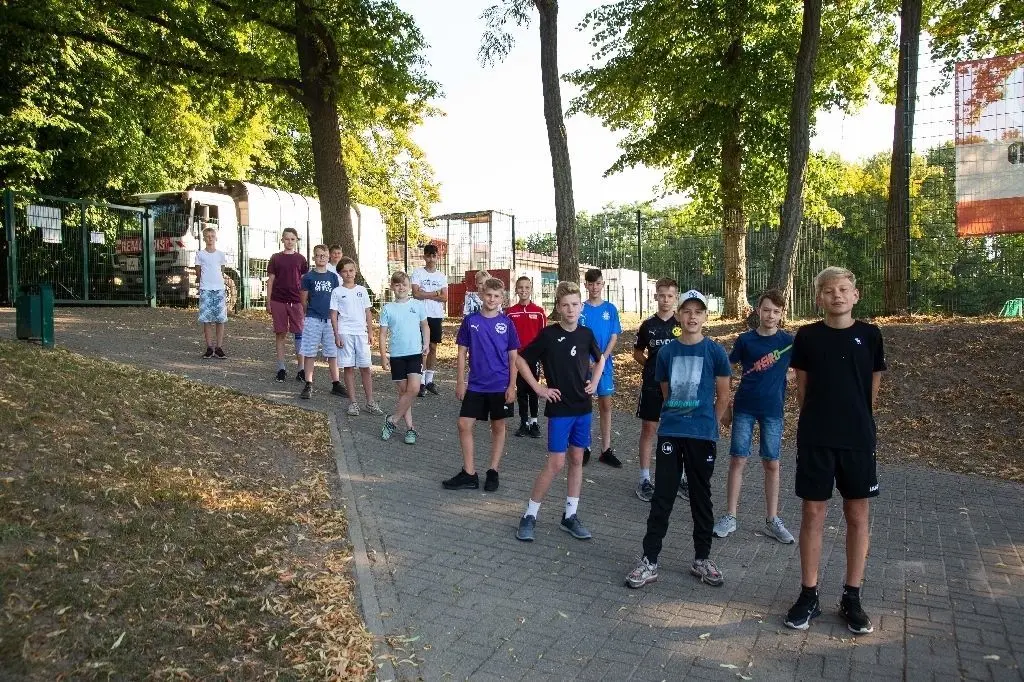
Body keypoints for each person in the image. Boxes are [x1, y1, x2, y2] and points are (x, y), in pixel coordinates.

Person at [784, 267, 885, 635]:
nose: (837, 296)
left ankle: (852, 596)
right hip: (816, 437)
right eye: (828, 290)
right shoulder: (807, 336)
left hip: (857, 439)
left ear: (855, 295)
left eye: (844, 289)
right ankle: (808, 593)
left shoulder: (870, 335)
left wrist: (857, 419)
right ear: (819, 298)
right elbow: (802, 388)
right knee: (813, 511)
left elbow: (872, 385)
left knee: (857, 514)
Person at [625, 290, 731, 589]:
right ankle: (650, 560)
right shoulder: (668, 352)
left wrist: (709, 423)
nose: (692, 316)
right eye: (687, 311)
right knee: (663, 496)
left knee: (701, 495)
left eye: (698, 311)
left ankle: (702, 558)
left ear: (705, 317)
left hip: (702, 435)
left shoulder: (715, 352)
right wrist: (678, 415)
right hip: (672, 432)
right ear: (679, 316)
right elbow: (665, 390)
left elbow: (723, 394)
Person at [515, 281, 605, 543]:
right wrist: (539, 388)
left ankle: (570, 516)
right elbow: (521, 359)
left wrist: (596, 382)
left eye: (575, 304)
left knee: (577, 459)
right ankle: (530, 515)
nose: (571, 309)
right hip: (560, 409)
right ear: (558, 308)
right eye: (565, 305)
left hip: (583, 408)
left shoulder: (586, 334)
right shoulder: (548, 335)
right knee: (556, 463)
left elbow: (599, 360)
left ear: (581, 306)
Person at [713, 289, 795, 543]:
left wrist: (784, 377)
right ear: (757, 310)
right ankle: (730, 515)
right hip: (745, 408)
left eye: (776, 312)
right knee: (738, 459)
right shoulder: (745, 340)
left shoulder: (788, 342)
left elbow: (802, 371)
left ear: (782, 314)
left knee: (772, 463)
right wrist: (724, 405)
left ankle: (772, 519)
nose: (771, 315)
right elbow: (725, 369)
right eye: (767, 309)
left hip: (773, 411)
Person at [443, 278, 520, 492]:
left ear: (502, 298)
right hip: (475, 385)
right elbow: (461, 353)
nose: (492, 299)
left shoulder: (507, 323)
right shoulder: (471, 321)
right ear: (481, 295)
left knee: (498, 426)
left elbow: (514, 357)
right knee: (464, 424)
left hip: (500, 385)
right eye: (488, 295)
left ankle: (493, 470)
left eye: (496, 296)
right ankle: (469, 473)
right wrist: (460, 381)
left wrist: (512, 385)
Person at [632, 277, 680, 501]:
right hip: (652, 386)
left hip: (678, 388)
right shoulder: (647, 325)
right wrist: (653, 367)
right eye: (662, 295)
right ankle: (644, 479)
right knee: (649, 429)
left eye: (670, 296)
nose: (666, 300)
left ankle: (678, 477)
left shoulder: (682, 323)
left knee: (677, 430)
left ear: (675, 298)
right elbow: (637, 352)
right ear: (655, 296)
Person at [379, 271, 429, 444]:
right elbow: (383, 334)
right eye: (397, 284)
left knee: (414, 389)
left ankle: (392, 420)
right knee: (403, 393)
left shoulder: (417, 305)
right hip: (397, 355)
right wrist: (383, 355)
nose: (401, 287)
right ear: (392, 287)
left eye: (404, 284)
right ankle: (410, 429)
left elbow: (425, 326)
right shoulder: (387, 308)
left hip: (415, 354)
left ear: (410, 287)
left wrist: (426, 343)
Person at [330, 257, 384, 417]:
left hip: (361, 333)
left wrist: (370, 331)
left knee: (365, 367)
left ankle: (370, 401)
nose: (348, 274)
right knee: (348, 367)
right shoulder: (337, 292)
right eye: (344, 271)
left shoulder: (362, 290)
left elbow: (368, 312)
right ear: (340, 273)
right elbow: (333, 314)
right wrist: (337, 334)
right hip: (345, 332)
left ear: (355, 271)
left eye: (351, 270)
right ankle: (353, 402)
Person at [580, 268, 622, 467]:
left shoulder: (611, 309)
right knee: (585, 404)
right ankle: (585, 446)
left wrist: (602, 359)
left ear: (602, 285)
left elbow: (614, 335)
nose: (594, 287)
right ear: (586, 285)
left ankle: (606, 449)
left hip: (604, 364)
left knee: (605, 405)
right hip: (583, 365)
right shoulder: (580, 309)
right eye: (591, 283)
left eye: (598, 283)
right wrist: (585, 360)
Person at [297, 245, 344, 400]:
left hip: (330, 320)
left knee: (332, 352)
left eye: (324, 255)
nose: (321, 258)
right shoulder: (308, 277)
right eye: (318, 255)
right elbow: (303, 299)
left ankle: (336, 383)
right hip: (313, 318)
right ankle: (308, 383)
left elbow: (337, 299)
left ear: (328, 257)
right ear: (314, 258)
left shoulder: (333, 277)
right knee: (310, 351)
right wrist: (309, 313)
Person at [506, 276, 546, 438]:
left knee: (533, 389)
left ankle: (534, 422)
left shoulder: (539, 312)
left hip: (533, 359)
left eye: (527, 287)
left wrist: (543, 359)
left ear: (531, 290)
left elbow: (544, 338)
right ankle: (523, 422)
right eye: (520, 287)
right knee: (521, 390)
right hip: (517, 358)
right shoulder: (510, 313)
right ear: (516, 290)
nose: (523, 290)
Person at [267, 227, 308, 382]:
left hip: (296, 301)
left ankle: (301, 369)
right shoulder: (276, 258)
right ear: (282, 240)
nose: (289, 241)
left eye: (292, 239)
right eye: (287, 239)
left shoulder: (301, 259)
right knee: (280, 334)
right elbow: (271, 280)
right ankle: (281, 368)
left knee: (299, 334)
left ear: (296, 240)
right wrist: (268, 301)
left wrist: (305, 302)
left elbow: (304, 282)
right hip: (278, 300)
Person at [410, 244, 448, 397]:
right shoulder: (418, 273)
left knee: (433, 347)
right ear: (424, 256)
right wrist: (435, 293)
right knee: (422, 348)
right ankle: (420, 382)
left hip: (436, 315)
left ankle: (429, 380)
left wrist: (426, 293)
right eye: (429, 255)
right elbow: (416, 294)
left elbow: (445, 297)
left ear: (437, 257)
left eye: (434, 256)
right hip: (420, 315)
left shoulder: (441, 276)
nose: (431, 259)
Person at [194, 227, 228, 359]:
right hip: (206, 288)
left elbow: (222, 269)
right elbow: (198, 270)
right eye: (207, 236)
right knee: (206, 319)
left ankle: (219, 347)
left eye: (212, 236)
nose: (210, 238)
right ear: (204, 238)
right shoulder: (200, 254)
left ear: (216, 238)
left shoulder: (220, 254)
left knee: (220, 319)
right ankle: (209, 347)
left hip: (219, 288)